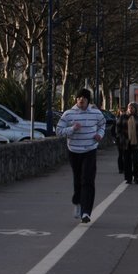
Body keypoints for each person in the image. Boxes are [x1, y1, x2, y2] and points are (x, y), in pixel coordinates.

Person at [55, 88, 106, 223]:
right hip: (74, 151)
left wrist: (99, 135)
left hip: (90, 150)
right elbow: (58, 131)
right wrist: (72, 129)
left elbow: (102, 124)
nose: (81, 100)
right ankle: (77, 203)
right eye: (78, 98)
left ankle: (86, 212)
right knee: (78, 180)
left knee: (88, 180)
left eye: (83, 98)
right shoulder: (68, 114)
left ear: (88, 100)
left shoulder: (96, 113)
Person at [115, 102, 138, 185]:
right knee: (127, 161)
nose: (130, 109)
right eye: (129, 108)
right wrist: (121, 137)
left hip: (136, 142)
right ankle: (128, 178)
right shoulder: (123, 117)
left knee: (136, 160)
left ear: (135, 109)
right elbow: (118, 128)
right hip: (125, 143)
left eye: (132, 108)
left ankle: (136, 177)